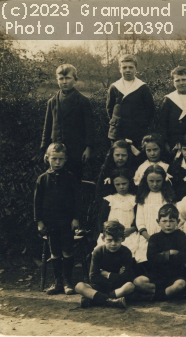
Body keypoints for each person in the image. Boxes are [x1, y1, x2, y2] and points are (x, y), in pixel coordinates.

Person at [34, 142, 81, 295]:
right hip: (50, 221)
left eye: (60, 159)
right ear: (47, 158)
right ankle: (58, 282)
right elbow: (37, 202)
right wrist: (39, 221)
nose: (57, 162)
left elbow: (77, 200)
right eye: (54, 159)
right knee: (54, 251)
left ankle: (68, 282)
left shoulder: (71, 178)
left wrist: (76, 218)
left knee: (67, 250)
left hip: (67, 221)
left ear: (66, 159)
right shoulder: (42, 179)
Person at [40, 64, 95, 181]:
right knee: (56, 181)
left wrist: (88, 147)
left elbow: (90, 127)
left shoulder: (83, 101)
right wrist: (45, 149)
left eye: (68, 78)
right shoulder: (52, 102)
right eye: (61, 79)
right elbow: (47, 126)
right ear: (57, 80)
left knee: (74, 180)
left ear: (75, 79)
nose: (64, 82)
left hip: (76, 150)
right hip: (56, 152)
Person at [133, 204, 186, 301]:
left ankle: (157, 296)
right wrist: (170, 253)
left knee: (180, 284)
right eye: (164, 221)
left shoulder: (181, 235)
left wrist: (162, 257)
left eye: (171, 221)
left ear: (178, 222)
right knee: (138, 282)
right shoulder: (155, 238)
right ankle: (165, 294)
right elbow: (151, 258)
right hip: (157, 273)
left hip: (175, 274)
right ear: (158, 222)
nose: (168, 224)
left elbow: (185, 256)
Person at [75, 221, 135, 309]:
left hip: (117, 288)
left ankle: (95, 299)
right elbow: (93, 277)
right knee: (79, 286)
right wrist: (116, 276)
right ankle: (110, 301)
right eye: (109, 240)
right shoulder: (98, 252)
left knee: (130, 286)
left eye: (117, 240)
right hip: (100, 287)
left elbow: (127, 277)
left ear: (123, 239)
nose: (113, 244)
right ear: (103, 239)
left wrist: (107, 274)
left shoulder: (126, 252)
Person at [106, 54, 156, 148]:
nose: (127, 70)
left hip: (137, 133)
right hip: (118, 132)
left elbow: (150, 111)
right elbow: (110, 109)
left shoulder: (143, 87)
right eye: (124, 67)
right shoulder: (114, 87)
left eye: (131, 67)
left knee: (136, 158)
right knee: (118, 157)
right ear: (120, 69)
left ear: (135, 68)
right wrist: (116, 123)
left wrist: (141, 125)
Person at [135, 165, 175, 266]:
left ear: (164, 180)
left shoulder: (168, 198)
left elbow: (172, 219)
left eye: (158, 181)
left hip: (166, 236)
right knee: (145, 260)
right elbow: (140, 221)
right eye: (151, 181)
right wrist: (149, 238)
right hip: (147, 237)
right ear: (146, 181)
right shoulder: (143, 198)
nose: (155, 184)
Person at [96, 168, 139, 262]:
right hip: (110, 233)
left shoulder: (134, 199)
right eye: (118, 184)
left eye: (124, 184)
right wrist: (106, 231)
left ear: (129, 183)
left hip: (128, 233)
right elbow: (102, 219)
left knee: (132, 250)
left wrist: (132, 229)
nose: (121, 187)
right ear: (113, 184)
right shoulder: (109, 199)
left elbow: (139, 218)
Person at [159, 66, 186, 153]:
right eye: (177, 80)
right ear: (173, 83)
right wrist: (166, 143)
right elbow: (163, 124)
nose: (181, 83)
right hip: (174, 141)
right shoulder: (168, 99)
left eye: (184, 79)